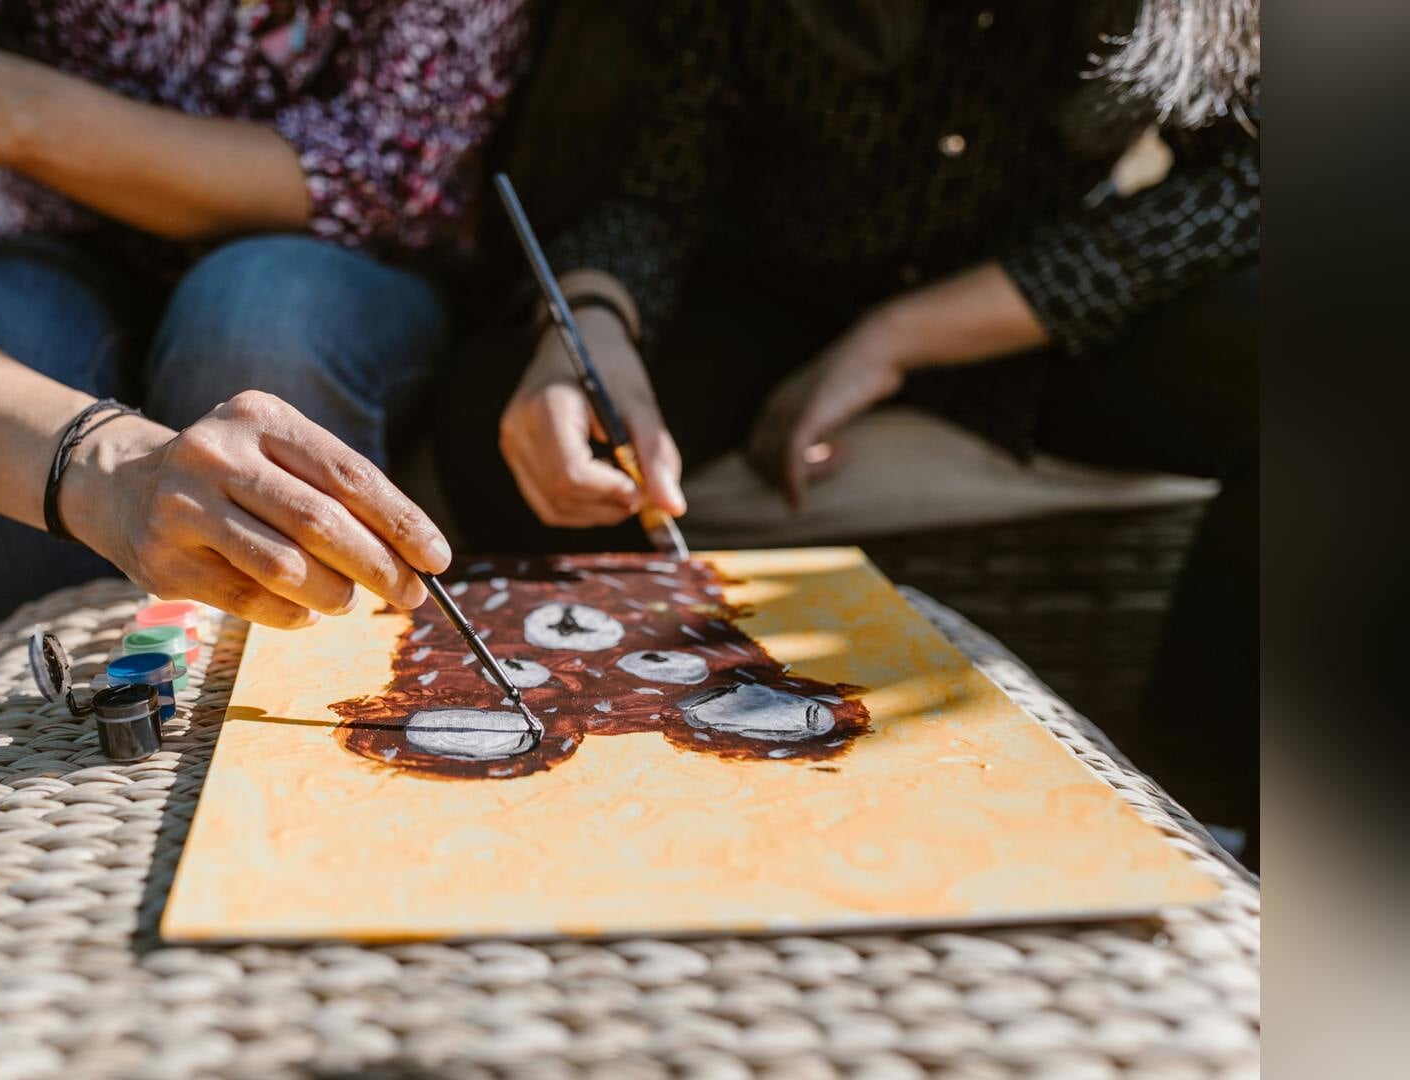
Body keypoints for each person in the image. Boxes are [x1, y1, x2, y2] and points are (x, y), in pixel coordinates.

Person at [436, 1, 1259, 854]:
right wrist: (592, 320)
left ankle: (1213, 817)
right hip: (768, 299)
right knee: (500, 411)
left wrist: (904, 336)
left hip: (1035, 313)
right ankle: (624, 780)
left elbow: (1255, 178)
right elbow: (654, 182)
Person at [0, 0, 530, 662]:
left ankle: (288, 738)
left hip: (341, 279)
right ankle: (33, 761)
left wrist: (12, 108)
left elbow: (394, 173)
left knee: (265, 313)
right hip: (59, 254)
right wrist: (114, 474)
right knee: (7, 321)